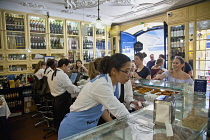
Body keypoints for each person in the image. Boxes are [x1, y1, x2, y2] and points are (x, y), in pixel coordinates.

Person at [58, 53, 132, 139]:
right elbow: (121, 112)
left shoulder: (113, 84)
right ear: (114, 71)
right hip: (74, 129)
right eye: (127, 71)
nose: (129, 75)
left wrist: (112, 123)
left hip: (90, 128)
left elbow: (102, 107)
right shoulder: (101, 85)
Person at [47, 59, 81, 130]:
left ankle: (58, 132)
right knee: (64, 120)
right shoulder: (62, 75)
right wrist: (81, 89)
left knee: (58, 119)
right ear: (63, 66)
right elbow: (71, 89)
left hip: (55, 100)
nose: (69, 69)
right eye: (68, 67)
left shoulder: (51, 73)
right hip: (62, 101)